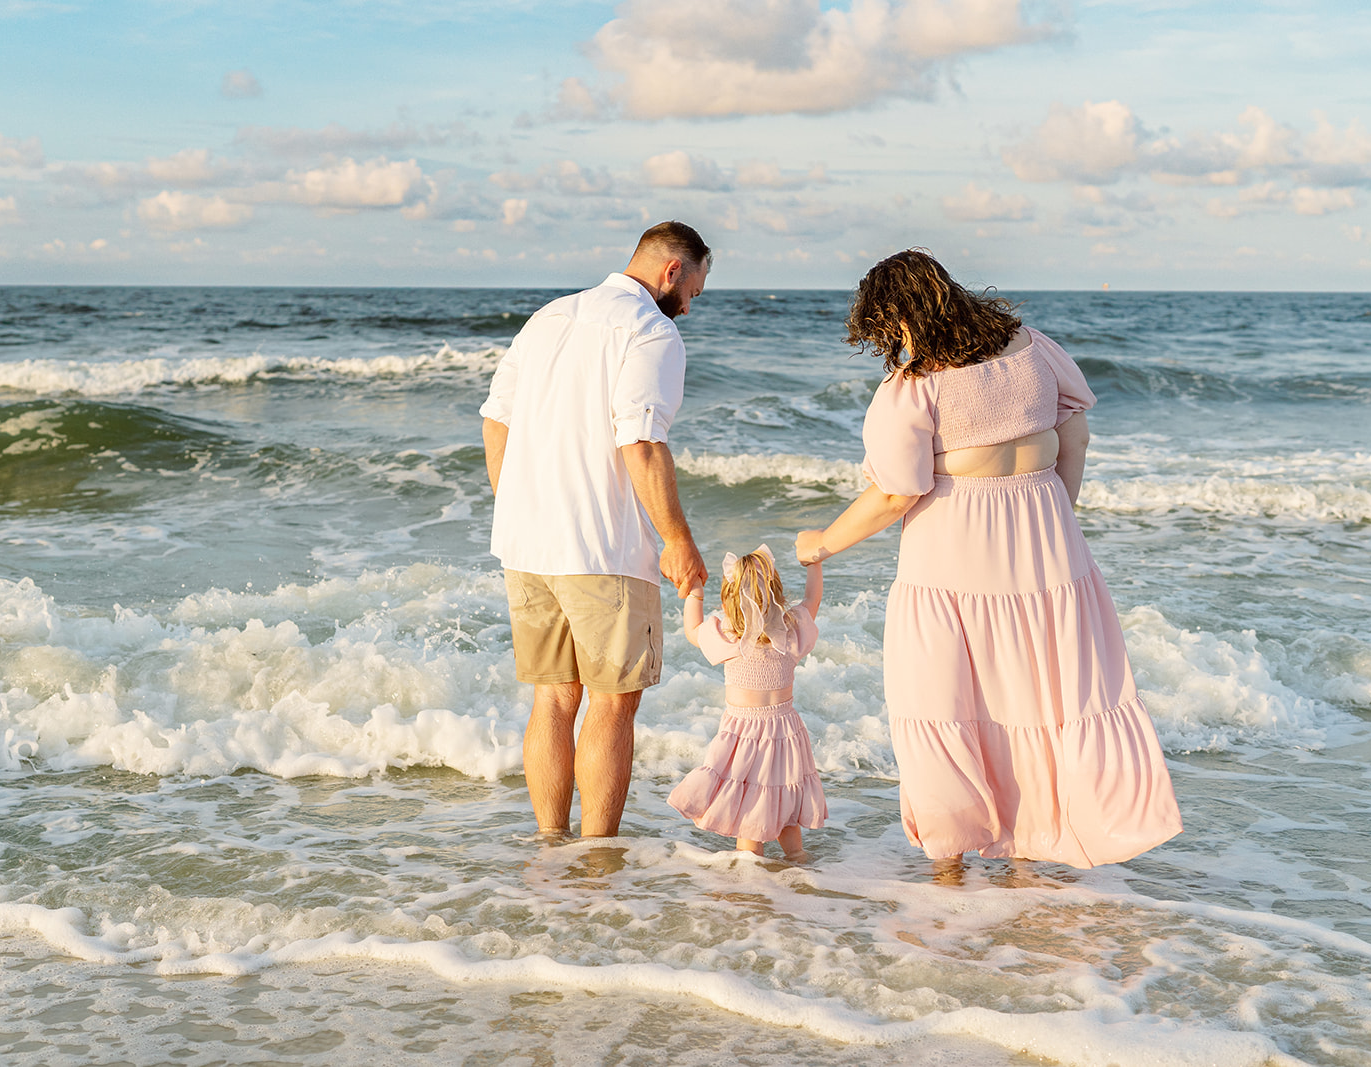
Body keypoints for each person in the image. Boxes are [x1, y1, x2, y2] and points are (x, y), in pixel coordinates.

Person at [796, 250, 1182, 869]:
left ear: (899, 316)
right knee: (1042, 695)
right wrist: (1059, 511)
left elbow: (896, 492)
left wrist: (821, 543)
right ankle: (1035, 845)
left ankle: (950, 860)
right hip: (1047, 542)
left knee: (940, 696)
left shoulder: (915, 386)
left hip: (952, 552)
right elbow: (1073, 435)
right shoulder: (1034, 347)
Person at [480, 221, 712, 840]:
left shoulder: (549, 317)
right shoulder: (650, 330)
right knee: (612, 703)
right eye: (696, 286)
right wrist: (677, 539)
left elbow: (496, 423)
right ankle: (596, 865)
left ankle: (550, 849)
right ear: (672, 271)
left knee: (553, 699)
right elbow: (639, 440)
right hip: (603, 546)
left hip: (528, 543)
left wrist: (518, 504)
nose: (692, 302)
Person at [669, 545, 826, 862]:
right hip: (786, 732)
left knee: (750, 817)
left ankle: (750, 892)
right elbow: (812, 601)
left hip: (744, 736)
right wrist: (814, 564)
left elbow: (691, 630)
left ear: (728, 597)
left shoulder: (728, 633)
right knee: (784, 803)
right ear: (776, 592)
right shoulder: (791, 629)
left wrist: (696, 591)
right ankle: (799, 868)